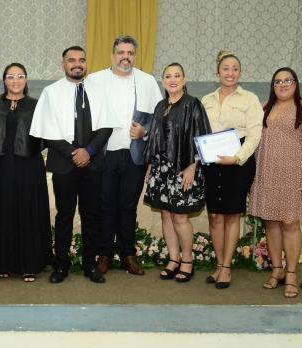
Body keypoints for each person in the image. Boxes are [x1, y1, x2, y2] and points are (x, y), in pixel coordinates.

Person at [30, 46, 117, 283]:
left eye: (81, 60)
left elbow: (107, 126)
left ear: (86, 63)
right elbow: (47, 131)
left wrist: (88, 151)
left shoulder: (100, 91)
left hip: (93, 163)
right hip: (64, 164)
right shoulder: (51, 92)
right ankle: (61, 266)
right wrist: (73, 153)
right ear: (63, 64)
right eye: (71, 60)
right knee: (64, 216)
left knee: (91, 216)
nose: (77, 64)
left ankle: (90, 265)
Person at [89, 35, 162, 276]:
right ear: (112, 55)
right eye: (121, 52)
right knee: (106, 205)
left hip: (134, 154)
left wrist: (145, 131)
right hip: (105, 154)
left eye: (130, 53)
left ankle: (128, 255)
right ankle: (105, 255)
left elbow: (159, 118)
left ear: (135, 56)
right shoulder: (95, 80)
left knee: (128, 206)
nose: (125, 57)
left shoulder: (147, 81)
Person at [0, 63, 51, 282]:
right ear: (4, 80)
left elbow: (49, 133)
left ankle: (30, 264)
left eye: (20, 76)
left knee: (29, 211)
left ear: (26, 80)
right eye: (11, 76)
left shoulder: (36, 105)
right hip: (3, 165)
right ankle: (3, 263)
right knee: (4, 211)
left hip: (30, 165)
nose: (16, 80)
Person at [144, 63, 211, 282]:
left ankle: (187, 261)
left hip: (183, 169)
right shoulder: (160, 106)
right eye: (168, 76)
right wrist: (150, 166)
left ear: (184, 80)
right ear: (163, 81)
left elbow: (202, 137)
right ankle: (173, 259)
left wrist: (193, 166)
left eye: (177, 75)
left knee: (180, 217)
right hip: (161, 170)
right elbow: (154, 138)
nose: (173, 79)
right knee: (166, 214)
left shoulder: (193, 104)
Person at [201, 50, 263, 289]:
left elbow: (255, 134)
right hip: (212, 162)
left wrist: (237, 158)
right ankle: (219, 265)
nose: (230, 72)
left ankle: (227, 268)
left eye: (235, 68)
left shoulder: (249, 99)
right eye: (226, 68)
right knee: (215, 215)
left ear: (240, 73)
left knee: (232, 215)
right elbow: (200, 132)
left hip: (238, 163)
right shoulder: (206, 99)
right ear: (218, 72)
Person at [250, 68, 302, 298]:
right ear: (272, 85)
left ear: (296, 84)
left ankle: (292, 273)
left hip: (293, 175)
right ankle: (277, 270)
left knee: (290, 223)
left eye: (288, 80)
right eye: (278, 81)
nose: (283, 84)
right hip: (266, 173)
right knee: (271, 223)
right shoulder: (264, 107)